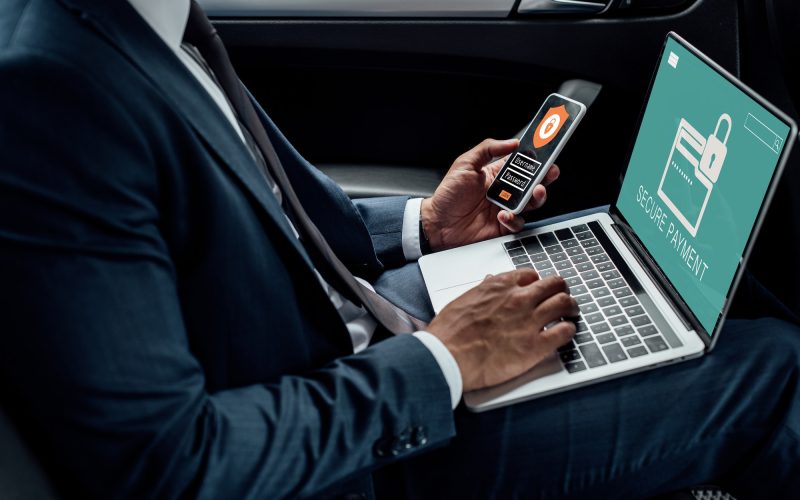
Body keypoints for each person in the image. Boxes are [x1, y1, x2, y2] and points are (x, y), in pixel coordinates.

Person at [0, 0, 798, 498]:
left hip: (360, 334)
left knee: (659, 278)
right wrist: (448, 361)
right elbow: (173, 469)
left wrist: (424, 229)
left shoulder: (150, 19)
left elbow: (268, 217)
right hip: (355, 446)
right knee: (776, 365)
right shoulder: (51, 87)